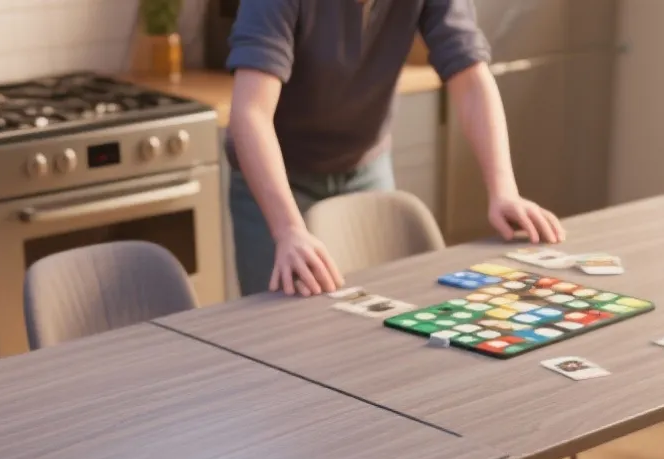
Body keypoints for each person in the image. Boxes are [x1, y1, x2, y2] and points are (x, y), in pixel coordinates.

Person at [227, 0, 565, 297]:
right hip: (280, 178)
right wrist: (288, 230)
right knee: (281, 331)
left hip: (366, 168)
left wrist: (503, 190)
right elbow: (251, 113)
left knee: (384, 310)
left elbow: (471, 76)